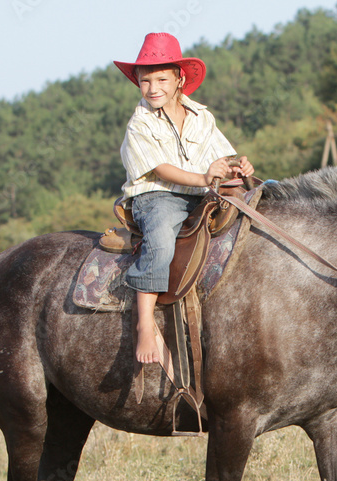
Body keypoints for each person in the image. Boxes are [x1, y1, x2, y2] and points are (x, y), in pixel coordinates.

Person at [114, 33, 253, 364]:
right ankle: (145, 325)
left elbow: (222, 156)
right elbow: (161, 169)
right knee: (160, 244)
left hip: (200, 195)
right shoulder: (140, 123)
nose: (152, 88)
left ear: (180, 79)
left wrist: (238, 166)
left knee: (248, 225)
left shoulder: (201, 117)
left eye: (161, 78)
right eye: (145, 81)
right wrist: (204, 178)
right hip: (158, 197)